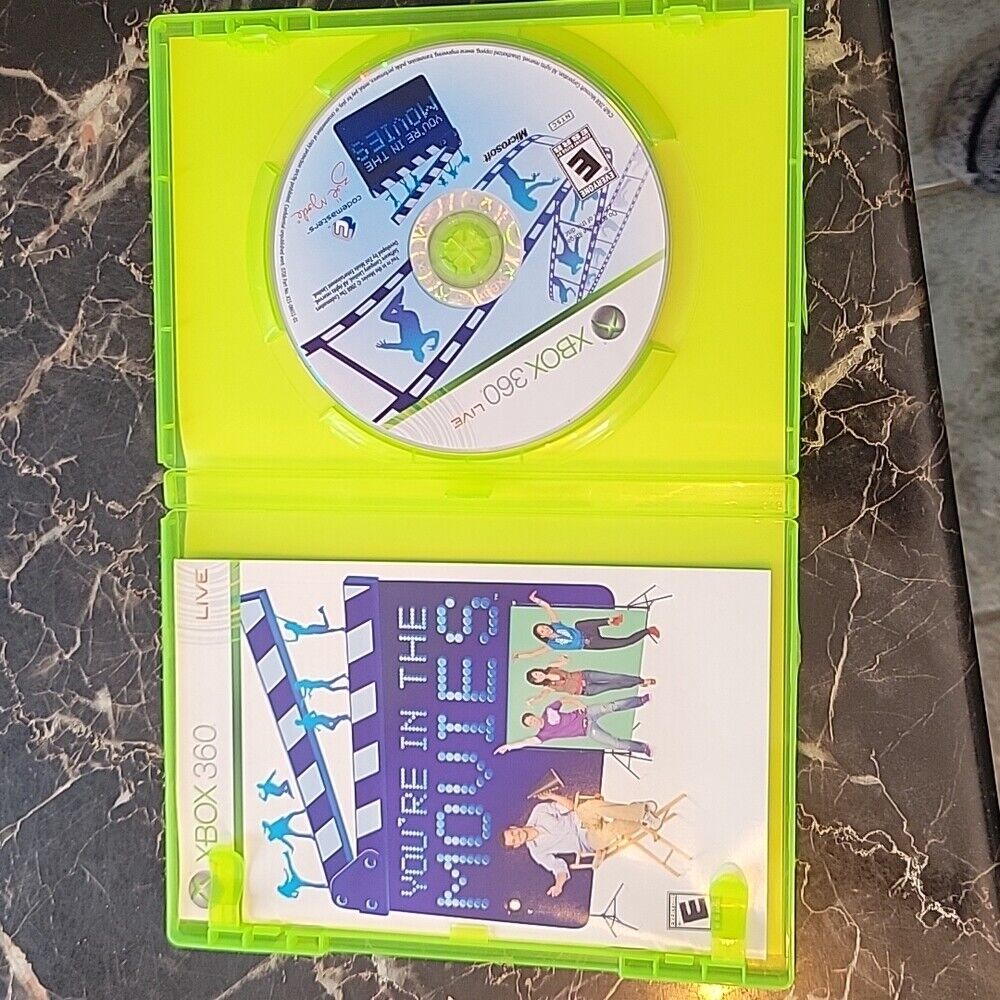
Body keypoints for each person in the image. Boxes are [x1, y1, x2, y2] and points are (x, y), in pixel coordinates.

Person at [502, 791, 661, 897]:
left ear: (514, 827)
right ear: (517, 846)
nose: (517, 836)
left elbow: (571, 806)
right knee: (609, 833)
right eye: (514, 840)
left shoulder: (539, 811)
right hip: (586, 840)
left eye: (513, 833)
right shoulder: (537, 853)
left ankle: (640, 812)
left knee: (589, 807)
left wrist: (552, 795)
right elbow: (559, 868)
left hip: (582, 819)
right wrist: (558, 885)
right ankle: (640, 815)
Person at [514, 591, 659, 659]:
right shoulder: (552, 645)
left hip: (586, 631)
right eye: (542, 631)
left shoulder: (556, 625)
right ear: (541, 636)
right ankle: (648, 631)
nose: (545, 629)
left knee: (579, 624)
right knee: (624, 642)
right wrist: (518, 656)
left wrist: (535, 600)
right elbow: (533, 654)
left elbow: (548, 608)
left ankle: (610, 621)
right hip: (590, 644)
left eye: (544, 627)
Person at [495, 694, 652, 757]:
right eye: (530, 723)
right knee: (615, 743)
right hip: (588, 730)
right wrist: (509, 746)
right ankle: (642, 748)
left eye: (531, 719)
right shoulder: (543, 735)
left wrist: (578, 703)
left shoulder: (549, 710)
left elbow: (563, 699)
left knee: (612, 706)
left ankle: (640, 700)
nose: (533, 722)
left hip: (586, 713)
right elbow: (526, 742)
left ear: (535, 715)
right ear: (531, 727)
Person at [525, 654, 656, 703]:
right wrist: (532, 700)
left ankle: (641, 680)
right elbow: (541, 697)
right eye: (536, 678)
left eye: (536, 673)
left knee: (614, 677)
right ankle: (637, 683)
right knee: (614, 686)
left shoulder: (551, 667)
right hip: (586, 690)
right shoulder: (548, 687)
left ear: (538, 670)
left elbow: (565, 661)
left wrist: (563, 658)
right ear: (537, 682)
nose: (538, 675)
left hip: (585, 676)